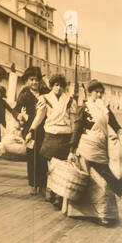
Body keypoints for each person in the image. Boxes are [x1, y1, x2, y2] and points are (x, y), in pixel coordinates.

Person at [69, 80, 122, 225]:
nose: (98, 95)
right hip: (87, 147)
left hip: (101, 148)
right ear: (89, 93)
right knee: (88, 180)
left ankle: (106, 213)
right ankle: (84, 212)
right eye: (96, 92)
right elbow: (77, 129)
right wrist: (72, 149)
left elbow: (115, 124)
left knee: (105, 182)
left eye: (101, 92)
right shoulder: (84, 108)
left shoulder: (105, 109)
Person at [30, 74, 76, 204]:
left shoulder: (70, 101)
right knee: (51, 166)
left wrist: (75, 137)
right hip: (51, 134)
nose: (58, 88)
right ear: (51, 86)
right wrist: (32, 130)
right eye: (56, 85)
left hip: (65, 135)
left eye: (61, 85)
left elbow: (73, 121)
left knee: (62, 167)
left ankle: (59, 195)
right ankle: (51, 191)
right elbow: (39, 117)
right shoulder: (44, 99)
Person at [13, 66, 45, 192]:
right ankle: (33, 184)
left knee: (42, 156)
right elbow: (15, 110)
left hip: (43, 128)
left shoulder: (45, 93)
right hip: (29, 130)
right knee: (32, 156)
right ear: (27, 81)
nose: (34, 82)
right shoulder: (25, 95)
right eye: (31, 79)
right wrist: (19, 116)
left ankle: (42, 185)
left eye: (37, 80)